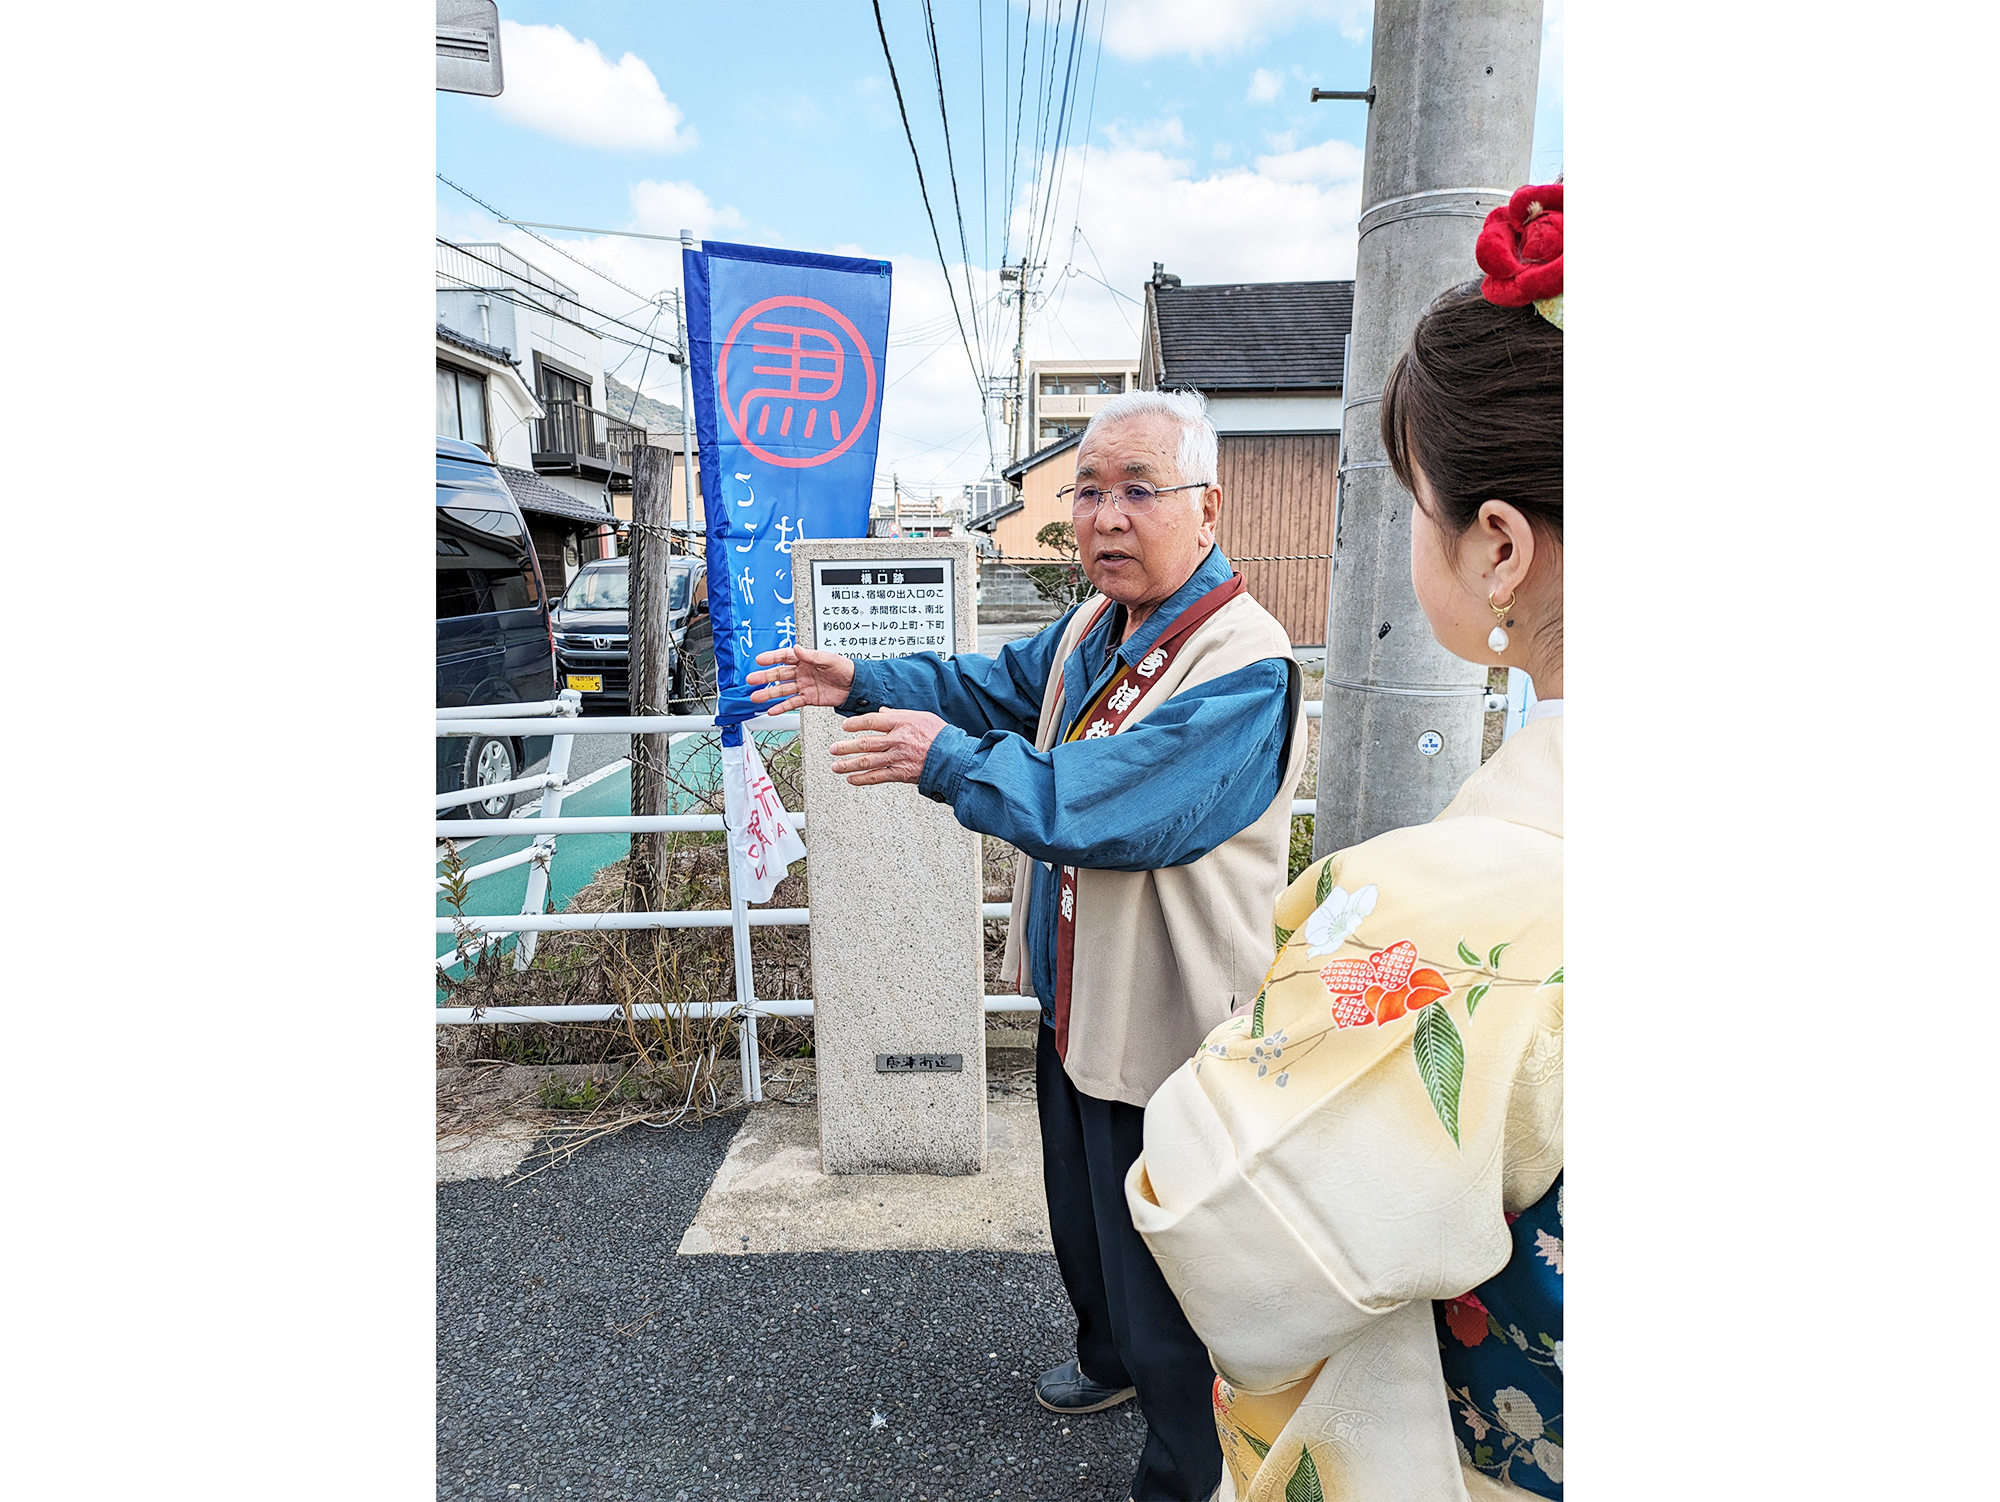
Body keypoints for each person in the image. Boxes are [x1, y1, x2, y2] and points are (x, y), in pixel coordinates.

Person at [748, 388, 1307, 1502]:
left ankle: (1189, 1471)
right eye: (1087, 489)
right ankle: (1106, 1362)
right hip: (1077, 997)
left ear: (1206, 508)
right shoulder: (1093, 630)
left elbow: (1107, 800)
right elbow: (986, 687)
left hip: (1171, 1023)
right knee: (1087, 1222)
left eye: (1137, 490)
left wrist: (948, 759)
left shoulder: (1245, 661)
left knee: (1167, 1270)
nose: (1105, 515)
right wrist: (864, 680)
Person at [1125, 183, 1565, 1502]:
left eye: (1410, 503)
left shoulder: (1444, 910)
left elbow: (1222, 1212)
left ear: (1498, 545)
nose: (1100, 513)